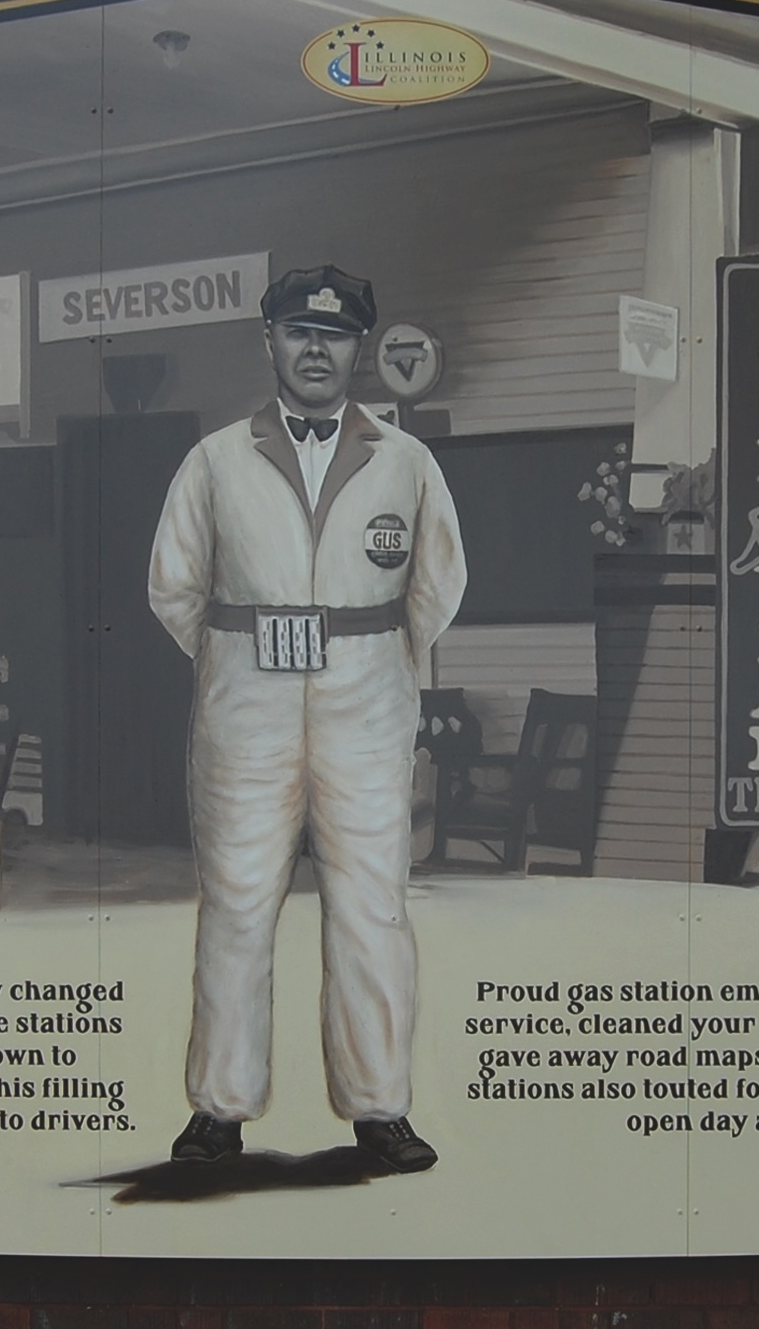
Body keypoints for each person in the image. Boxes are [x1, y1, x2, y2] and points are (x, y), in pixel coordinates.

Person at [146, 264, 467, 1174]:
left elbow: (438, 585)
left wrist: (377, 666)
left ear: (358, 347)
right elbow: (174, 585)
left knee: (371, 902)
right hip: (245, 708)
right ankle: (219, 1108)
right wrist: (236, 664)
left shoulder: (407, 463)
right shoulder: (213, 460)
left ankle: (379, 1108)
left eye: (333, 335)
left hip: (365, 709)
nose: (315, 349)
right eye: (297, 332)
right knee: (239, 902)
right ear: (271, 343)